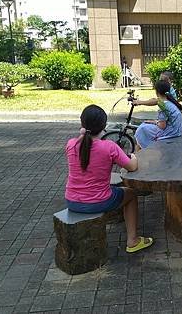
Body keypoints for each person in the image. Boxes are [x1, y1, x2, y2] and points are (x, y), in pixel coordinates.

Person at [65, 104, 153, 253]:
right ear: (104, 126)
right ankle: (132, 240)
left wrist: (82, 131)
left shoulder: (71, 145)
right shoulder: (109, 147)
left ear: (82, 124)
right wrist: (134, 156)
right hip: (98, 201)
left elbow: (84, 141)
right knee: (130, 194)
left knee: (115, 189)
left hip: (72, 201)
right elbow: (132, 167)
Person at [134, 79, 182, 149]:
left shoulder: (163, 106)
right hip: (177, 131)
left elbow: (162, 126)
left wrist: (155, 122)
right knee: (146, 124)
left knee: (142, 128)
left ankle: (141, 151)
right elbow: (154, 101)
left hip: (170, 133)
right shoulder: (169, 101)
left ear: (157, 91)